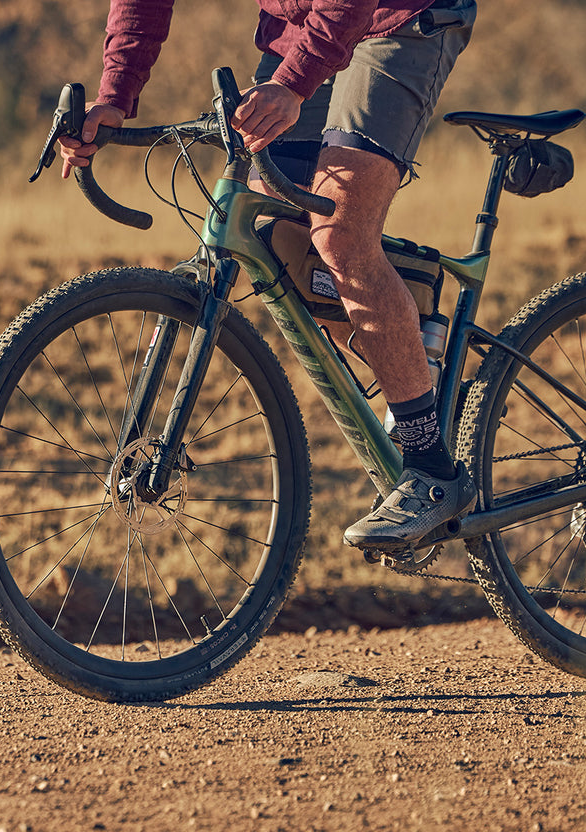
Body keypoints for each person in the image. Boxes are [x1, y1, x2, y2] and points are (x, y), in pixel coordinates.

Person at [60, 0, 478, 552]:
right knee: (278, 244)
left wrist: (293, 82)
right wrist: (114, 96)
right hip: (304, 31)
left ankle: (433, 470)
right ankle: (417, 355)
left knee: (340, 235)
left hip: (398, 21)